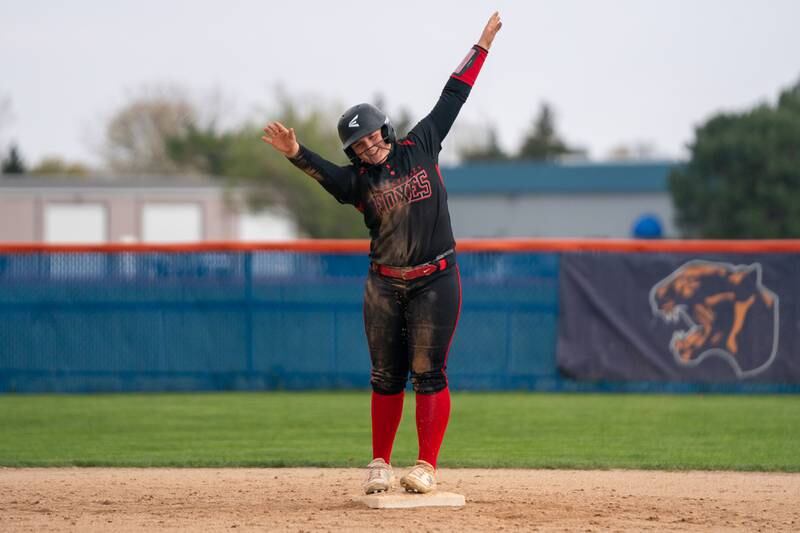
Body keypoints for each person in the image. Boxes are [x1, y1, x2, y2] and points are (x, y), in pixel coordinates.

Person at [261, 12, 502, 495]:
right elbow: (321, 171)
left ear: (385, 131)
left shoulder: (421, 144)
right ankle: (379, 463)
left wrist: (481, 45)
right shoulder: (356, 183)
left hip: (436, 277)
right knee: (385, 375)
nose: (369, 145)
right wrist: (294, 150)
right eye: (359, 143)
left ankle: (426, 466)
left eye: (372, 135)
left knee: (428, 372)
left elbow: (453, 94)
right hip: (385, 283)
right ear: (353, 152)